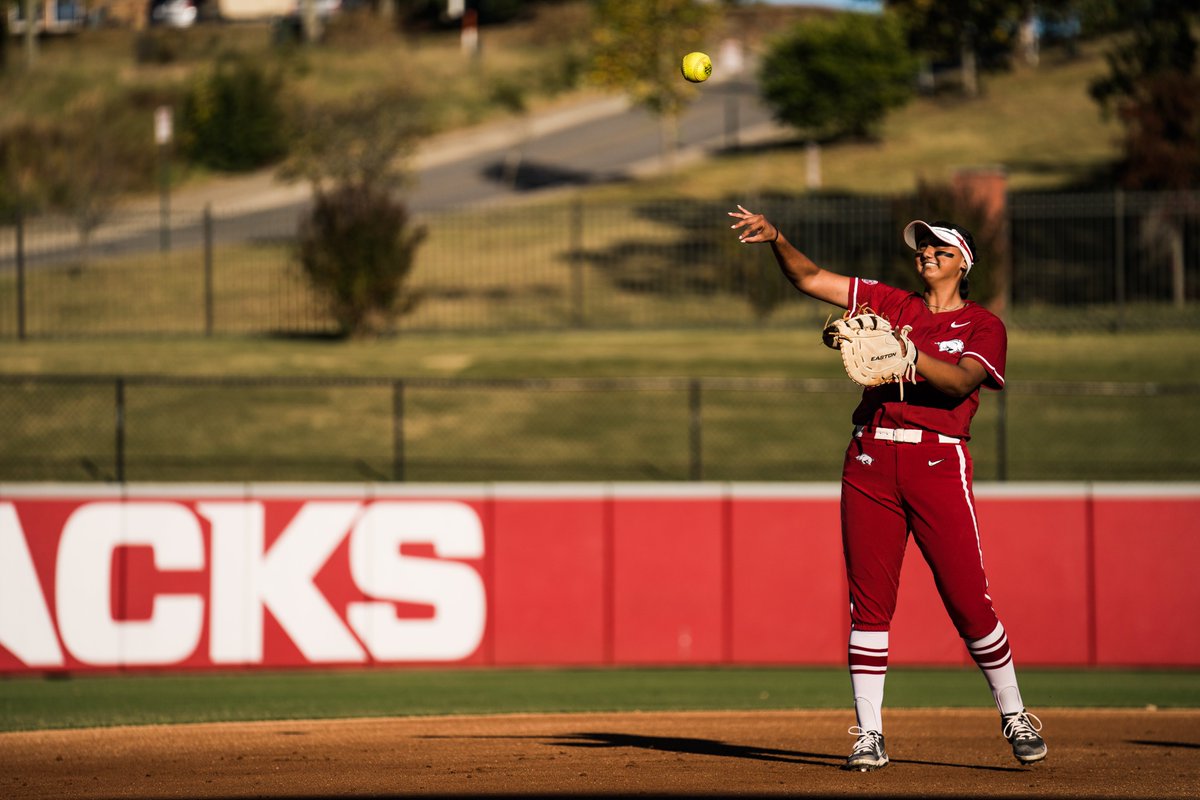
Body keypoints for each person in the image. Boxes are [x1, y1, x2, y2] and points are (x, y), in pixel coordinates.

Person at [728, 204, 1047, 772]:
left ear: (963, 263)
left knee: (969, 601)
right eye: (922, 248)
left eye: (940, 250)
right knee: (869, 605)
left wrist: (907, 353)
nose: (926, 254)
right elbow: (809, 278)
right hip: (871, 458)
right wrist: (777, 237)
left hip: (937, 465)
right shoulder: (891, 304)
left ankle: (1015, 713)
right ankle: (869, 734)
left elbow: (959, 385)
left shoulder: (982, 326)